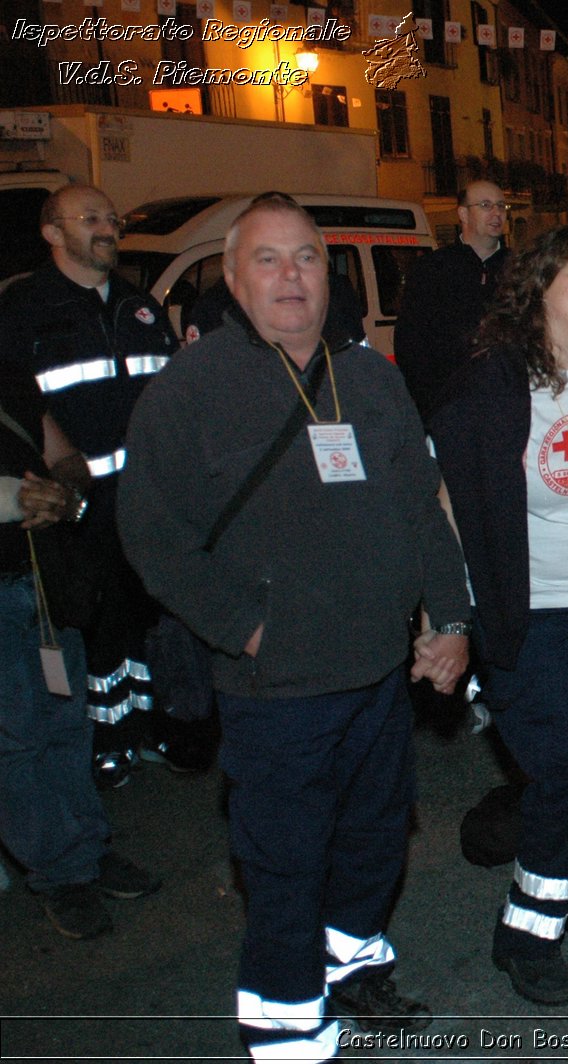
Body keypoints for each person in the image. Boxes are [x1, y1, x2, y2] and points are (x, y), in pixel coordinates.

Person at [118, 195, 470, 1058]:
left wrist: (451, 617)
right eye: (267, 260)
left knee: (376, 836)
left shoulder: (374, 375)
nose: (290, 276)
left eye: (306, 258)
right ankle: (286, 1033)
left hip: (379, 672)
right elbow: (150, 532)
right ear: (234, 280)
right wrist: (242, 628)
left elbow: (424, 509)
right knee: (284, 864)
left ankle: (351, 964)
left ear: (329, 273)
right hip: (274, 686)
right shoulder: (191, 389)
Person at [429, 225, 568, 1005]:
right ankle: (528, 929)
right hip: (536, 619)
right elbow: (448, 511)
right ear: (540, 286)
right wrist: (446, 617)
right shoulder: (489, 387)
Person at [0, 185, 183, 785]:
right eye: (92, 219)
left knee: (143, 627)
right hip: (72, 516)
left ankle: (144, 729)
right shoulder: (23, 309)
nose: (109, 228)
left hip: (145, 508)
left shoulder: (140, 307)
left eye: (113, 217)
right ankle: (100, 745)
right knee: (89, 636)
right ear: (52, 233)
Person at [0, 380, 161, 939]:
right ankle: (61, 872)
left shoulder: (7, 372)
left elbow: (66, 457)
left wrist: (63, 492)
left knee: (68, 723)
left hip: (47, 581)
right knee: (19, 740)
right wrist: (11, 498)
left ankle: (85, 850)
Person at [393, 179, 509, 425]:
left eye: (501, 206)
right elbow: (410, 344)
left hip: (509, 408)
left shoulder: (521, 270)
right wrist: (432, 403)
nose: (497, 213)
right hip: (449, 410)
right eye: (486, 205)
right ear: (463, 213)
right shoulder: (432, 270)